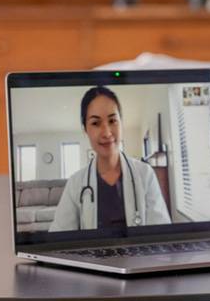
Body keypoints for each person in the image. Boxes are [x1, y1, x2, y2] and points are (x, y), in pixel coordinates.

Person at [49, 86, 171, 232]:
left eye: (113, 121)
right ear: (85, 130)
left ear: (121, 123)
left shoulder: (145, 174)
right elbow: (59, 237)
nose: (106, 133)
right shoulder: (75, 184)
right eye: (95, 123)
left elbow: (160, 235)